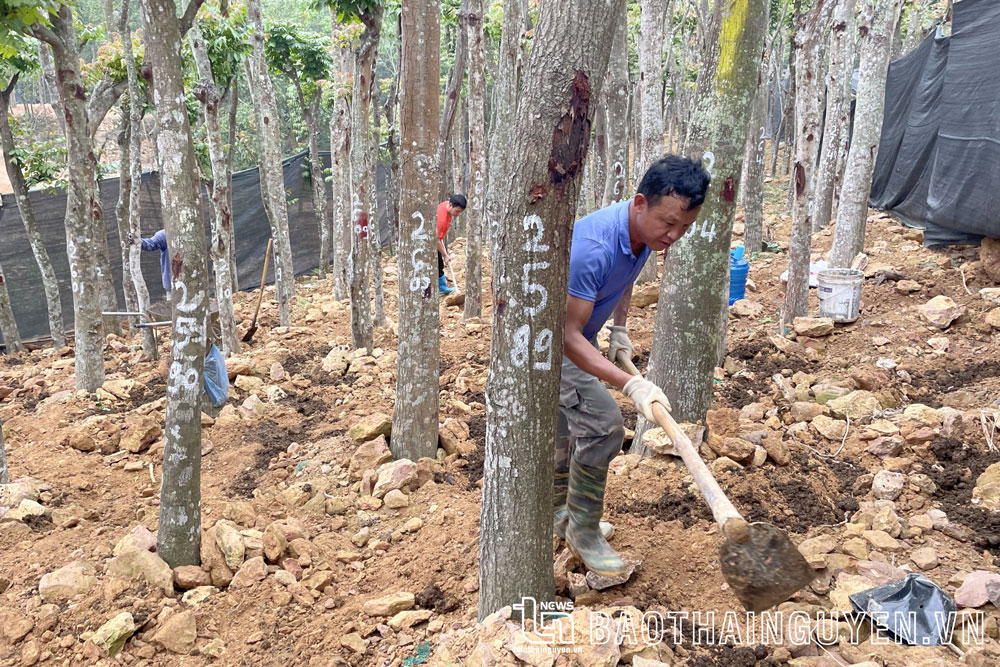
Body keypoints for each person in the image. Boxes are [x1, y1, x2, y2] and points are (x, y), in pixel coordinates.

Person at [556, 155, 710, 577]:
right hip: (552, 342)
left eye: (685, 227)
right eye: (669, 223)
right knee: (604, 425)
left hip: (578, 334)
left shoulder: (644, 234)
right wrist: (631, 385)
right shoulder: (593, 248)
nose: (674, 236)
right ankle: (583, 530)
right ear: (640, 203)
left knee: (565, 422)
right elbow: (567, 337)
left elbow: (624, 278)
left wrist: (619, 328)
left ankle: (560, 515)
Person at [436, 194, 467, 295]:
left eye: (460, 212)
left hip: (436, 238)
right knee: (438, 263)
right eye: (457, 211)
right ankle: (441, 287)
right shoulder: (441, 219)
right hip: (429, 241)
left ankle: (441, 286)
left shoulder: (447, 206)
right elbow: (436, 240)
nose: (458, 214)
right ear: (450, 205)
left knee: (438, 263)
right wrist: (445, 255)